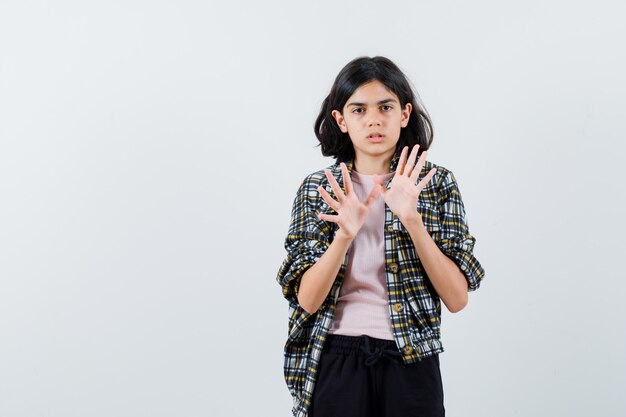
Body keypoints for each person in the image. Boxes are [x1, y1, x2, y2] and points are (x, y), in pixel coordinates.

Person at [276, 56, 485, 417]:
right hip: (335, 357)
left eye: (385, 107)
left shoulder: (436, 185)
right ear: (340, 120)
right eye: (358, 110)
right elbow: (307, 301)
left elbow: (456, 298)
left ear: (404, 115)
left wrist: (412, 219)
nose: (373, 119)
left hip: (412, 358)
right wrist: (344, 235)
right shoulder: (318, 189)